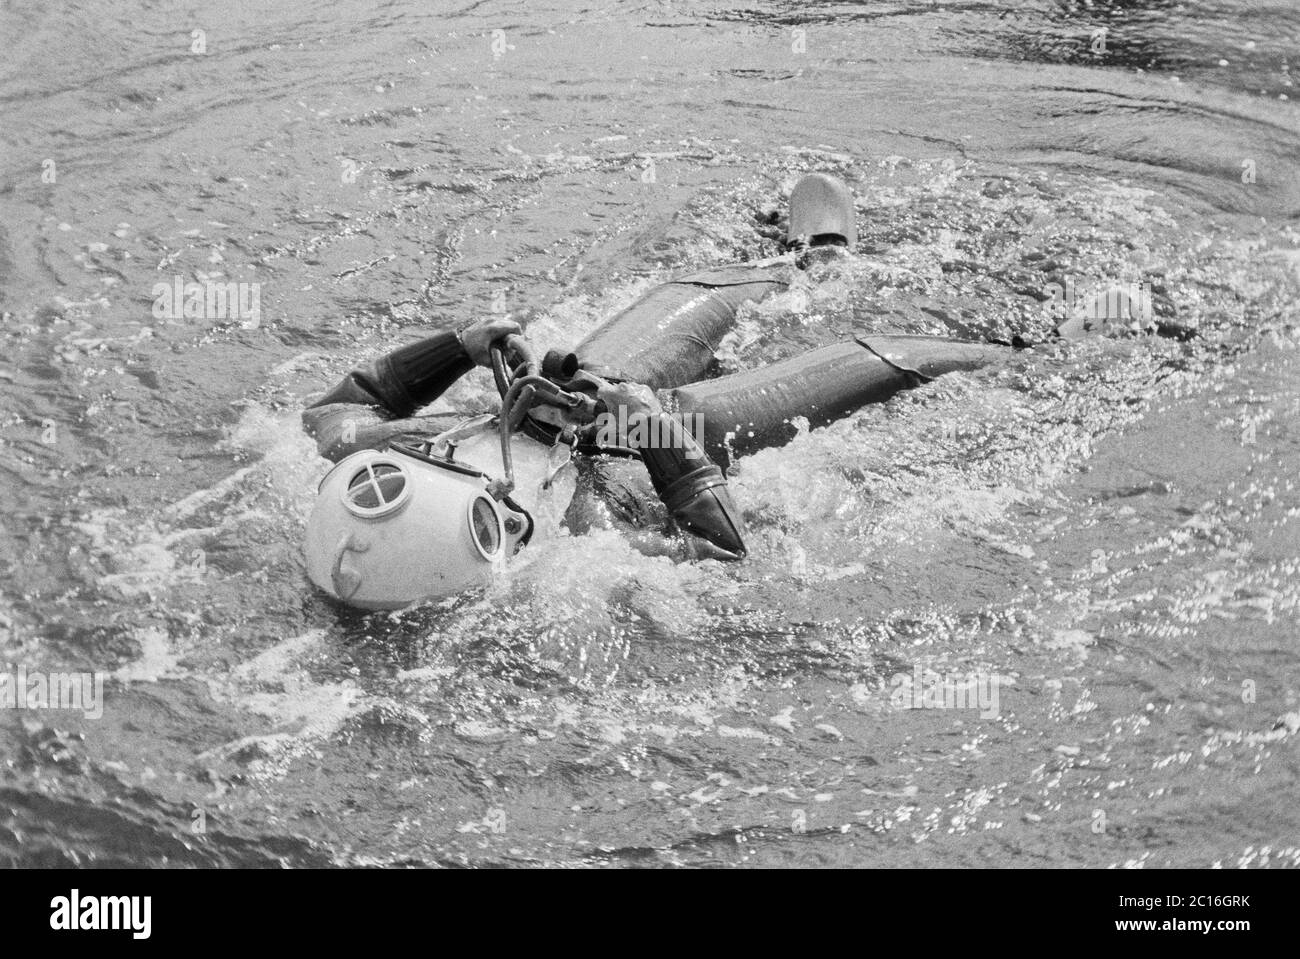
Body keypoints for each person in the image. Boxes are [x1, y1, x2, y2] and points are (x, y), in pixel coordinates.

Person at [299, 174, 1173, 609]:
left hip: (581, 387)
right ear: (494, 539)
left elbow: (337, 409)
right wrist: (667, 450)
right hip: (659, 438)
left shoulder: (383, 464)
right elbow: (723, 560)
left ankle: (806, 258)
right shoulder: (573, 561)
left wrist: (463, 345)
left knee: (720, 281)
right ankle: (1061, 355)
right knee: (883, 359)